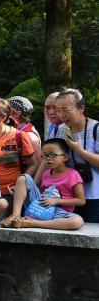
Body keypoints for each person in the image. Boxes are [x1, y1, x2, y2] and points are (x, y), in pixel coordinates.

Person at [2, 138, 85, 230]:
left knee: (77, 221)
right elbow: (40, 193)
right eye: (45, 155)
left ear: (65, 157)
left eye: (52, 155)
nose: (48, 158)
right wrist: (19, 191)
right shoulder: (46, 174)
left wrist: (57, 201)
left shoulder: (73, 175)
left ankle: (32, 223)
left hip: (58, 212)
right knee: (23, 178)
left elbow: (81, 200)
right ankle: (15, 216)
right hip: (39, 206)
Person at [54, 88, 99, 222]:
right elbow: (49, 158)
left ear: (81, 108)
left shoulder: (96, 129)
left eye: (66, 110)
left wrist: (80, 151)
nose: (61, 115)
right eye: (58, 110)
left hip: (95, 195)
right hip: (68, 195)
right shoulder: (61, 129)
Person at [8, 96, 42, 160]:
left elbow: (38, 162)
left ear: (16, 113)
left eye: (6, 111)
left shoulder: (29, 134)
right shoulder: (19, 129)